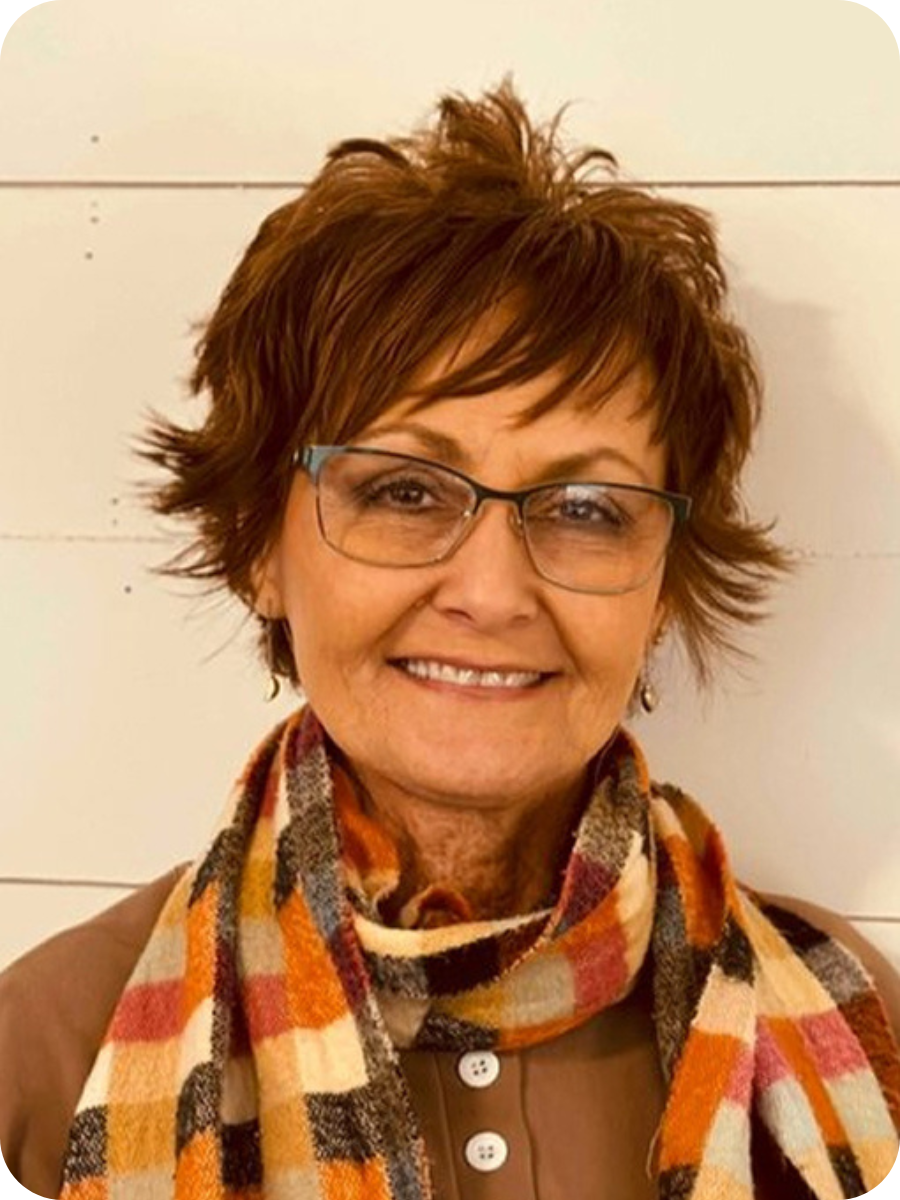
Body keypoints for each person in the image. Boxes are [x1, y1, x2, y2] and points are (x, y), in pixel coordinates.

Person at [1, 81, 898, 1200]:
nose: (492, 591)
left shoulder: (852, 1024)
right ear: (258, 550)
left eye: (586, 508)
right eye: (405, 491)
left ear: (662, 587)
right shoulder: (42, 1054)